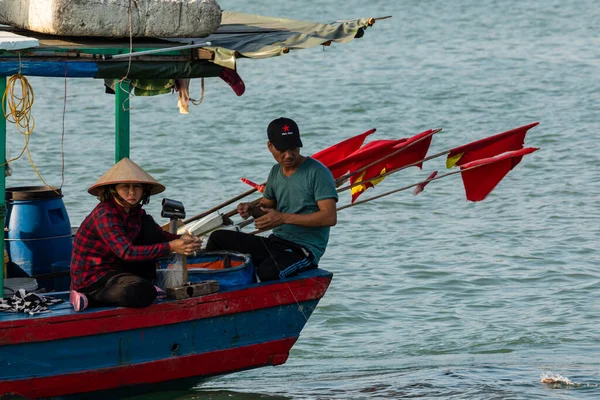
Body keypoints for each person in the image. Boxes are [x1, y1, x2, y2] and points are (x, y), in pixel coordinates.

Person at [206, 117, 338, 281]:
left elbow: (329, 217)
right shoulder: (276, 171)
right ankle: (209, 287)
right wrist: (251, 209)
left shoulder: (318, 173)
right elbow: (266, 211)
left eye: (293, 148)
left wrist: (283, 218)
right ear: (270, 146)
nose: (289, 155)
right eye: (282, 149)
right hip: (275, 243)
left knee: (267, 272)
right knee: (218, 238)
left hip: (303, 250)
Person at [69, 158, 201, 311]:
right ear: (113, 190)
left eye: (136, 187)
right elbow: (127, 252)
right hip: (94, 279)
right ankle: (88, 297)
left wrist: (183, 241)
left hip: (118, 271)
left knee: (148, 226)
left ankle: (144, 284)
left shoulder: (136, 212)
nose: (132, 192)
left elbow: (160, 236)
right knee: (142, 292)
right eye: (125, 187)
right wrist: (171, 247)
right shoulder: (105, 215)